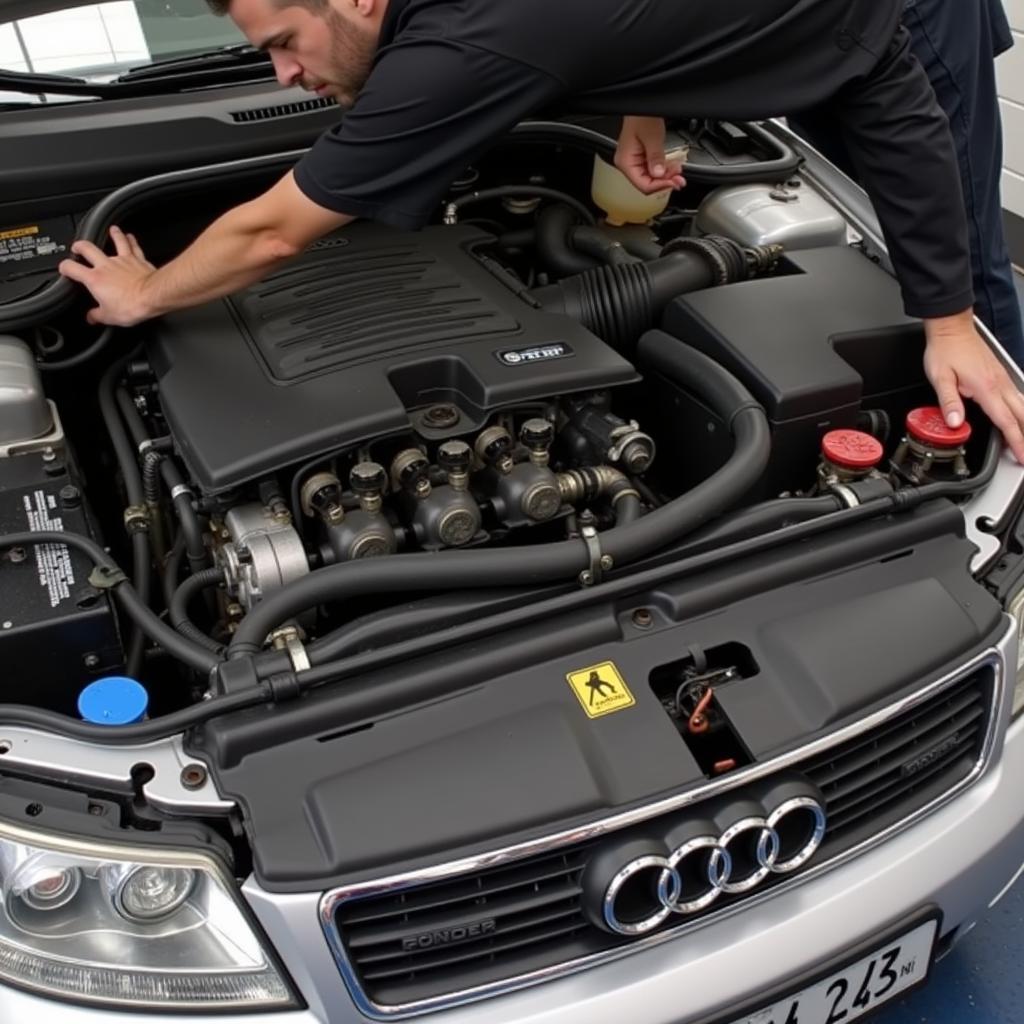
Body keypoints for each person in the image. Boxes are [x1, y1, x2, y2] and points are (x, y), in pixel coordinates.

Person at [57, 0, 1024, 462]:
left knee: (964, 290)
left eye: (281, 46)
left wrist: (145, 292)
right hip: (794, 23)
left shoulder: (462, 46)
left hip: (898, 18)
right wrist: (645, 100)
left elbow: (271, 235)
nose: (281, 77)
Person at [792, 0, 1024, 367]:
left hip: (913, 14)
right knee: (857, 221)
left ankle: (1006, 413)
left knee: (962, 254)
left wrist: (950, 323)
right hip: (813, 27)